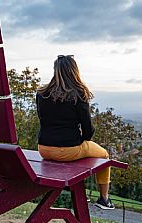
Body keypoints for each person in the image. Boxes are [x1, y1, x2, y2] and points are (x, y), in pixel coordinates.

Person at [36, 55, 114, 210]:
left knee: (84, 151)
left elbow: (43, 120)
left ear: (55, 71)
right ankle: (104, 199)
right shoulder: (78, 94)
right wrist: (80, 139)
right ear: (75, 71)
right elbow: (87, 131)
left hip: (43, 149)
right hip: (68, 149)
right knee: (105, 156)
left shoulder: (41, 93)